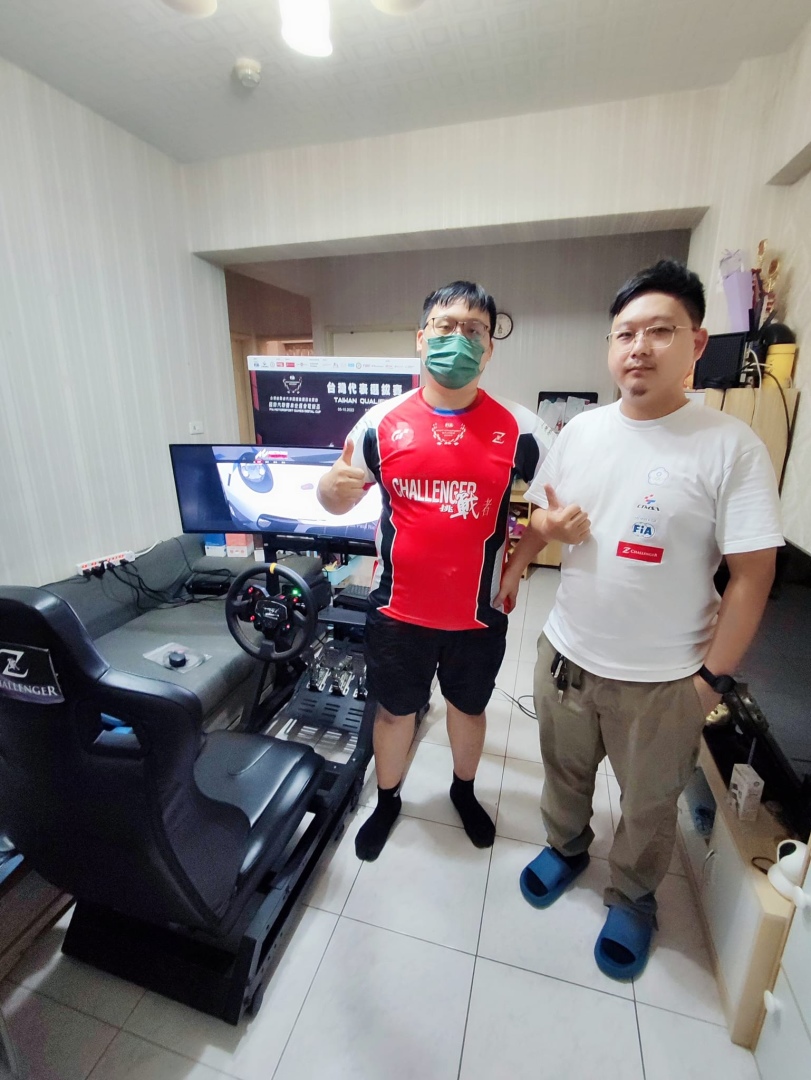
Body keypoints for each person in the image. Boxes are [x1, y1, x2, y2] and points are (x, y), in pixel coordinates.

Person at [498, 259, 783, 980]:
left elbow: (753, 574)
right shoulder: (581, 432)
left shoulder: (731, 447)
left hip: (665, 679)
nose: (639, 348)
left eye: (660, 331)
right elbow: (539, 514)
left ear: (696, 343)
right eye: (625, 333)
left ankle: (631, 895)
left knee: (649, 804)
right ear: (610, 345)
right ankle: (566, 848)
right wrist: (543, 533)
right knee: (563, 773)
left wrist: (710, 680)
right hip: (566, 654)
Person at [317, 280, 584, 862]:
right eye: (445, 326)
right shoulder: (379, 423)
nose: (458, 338)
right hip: (397, 609)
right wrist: (329, 492)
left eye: (473, 329)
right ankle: (388, 800)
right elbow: (335, 495)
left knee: (469, 709)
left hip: (477, 613)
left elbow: (550, 513)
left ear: (488, 348)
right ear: (421, 338)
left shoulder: (521, 430)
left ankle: (463, 791)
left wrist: (517, 566)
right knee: (393, 713)